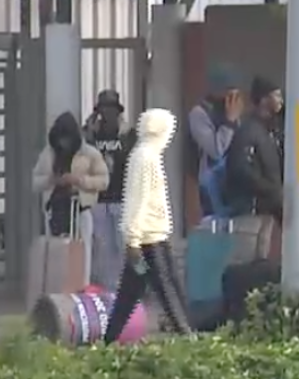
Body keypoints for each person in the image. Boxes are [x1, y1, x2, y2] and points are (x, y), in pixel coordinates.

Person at [104, 108, 192, 341]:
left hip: (150, 237)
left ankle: (108, 340)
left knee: (128, 296)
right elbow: (137, 199)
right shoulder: (145, 158)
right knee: (168, 290)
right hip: (148, 240)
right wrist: (133, 239)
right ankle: (188, 337)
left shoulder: (146, 155)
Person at [32, 112, 109, 282]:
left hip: (80, 208)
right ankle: (57, 285)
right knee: (55, 252)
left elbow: (103, 181)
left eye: (66, 139)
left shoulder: (90, 153)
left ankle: (81, 285)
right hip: (55, 210)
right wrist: (51, 180)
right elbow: (35, 181)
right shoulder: (49, 153)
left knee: (83, 252)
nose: (63, 143)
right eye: (60, 139)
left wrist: (79, 180)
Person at [83, 90, 137, 290]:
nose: (107, 115)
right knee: (103, 248)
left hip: (123, 198)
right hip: (99, 198)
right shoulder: (91, 135)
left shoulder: (127, 135)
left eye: (111, 110)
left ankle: (131, 286)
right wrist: (88, 132)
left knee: (125, 246)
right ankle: (109, 289)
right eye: (103, 110)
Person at [225, 76, 284, 252]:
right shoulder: (249, 131)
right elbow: (240, 168)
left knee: (264, 253)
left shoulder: (270, 130)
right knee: (254, 254)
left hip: (268, 205)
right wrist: (269, 189)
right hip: (253, 207)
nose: (281, 100)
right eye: (277, 95)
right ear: (265, 99)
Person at [188, 65, 244, 217]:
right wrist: (230, 121)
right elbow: (216, 150)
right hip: (211, 184)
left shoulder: (229, 113)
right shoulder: (200, 113)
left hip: (232, 181)